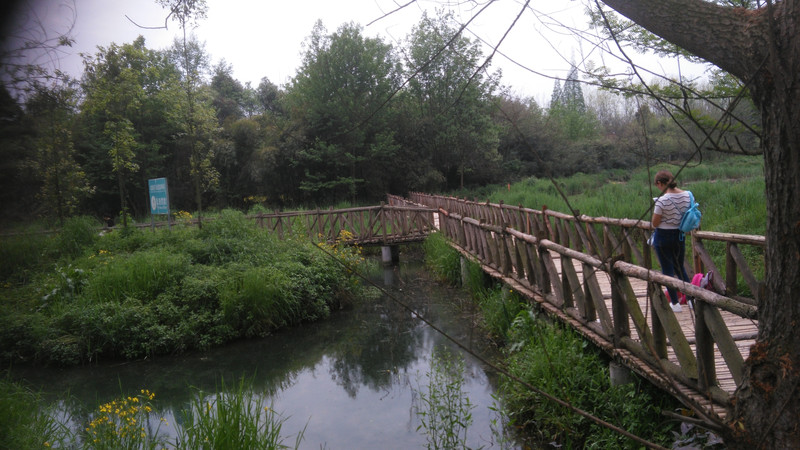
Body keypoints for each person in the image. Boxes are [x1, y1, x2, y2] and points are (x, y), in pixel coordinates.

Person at [650, 170, 693, 313]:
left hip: (663, 236)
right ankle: (691, 299)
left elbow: (655, 223)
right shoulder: (688, 195)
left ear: (659, 183)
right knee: (680, 268)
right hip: (680, 235)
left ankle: (675, 303)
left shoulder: (662, 200)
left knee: (667, 270)